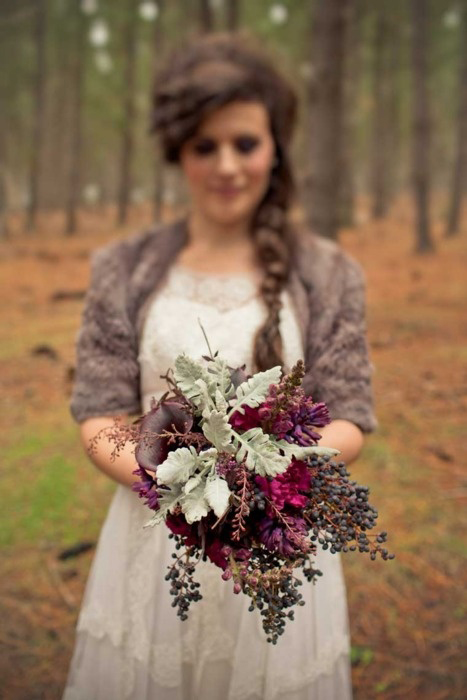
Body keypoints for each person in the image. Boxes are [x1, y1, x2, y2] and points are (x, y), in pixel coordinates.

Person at [63, 33, 376, 700]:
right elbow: (98, 412)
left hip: (279, 552)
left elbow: (349, 415)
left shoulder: (327, 275)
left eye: (245, 143)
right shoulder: (123, 270)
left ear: (275, 147)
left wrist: (264, 485)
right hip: (152, 552)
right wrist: (177, 489)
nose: (227, 166)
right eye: (205, 146)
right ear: (177, 151)